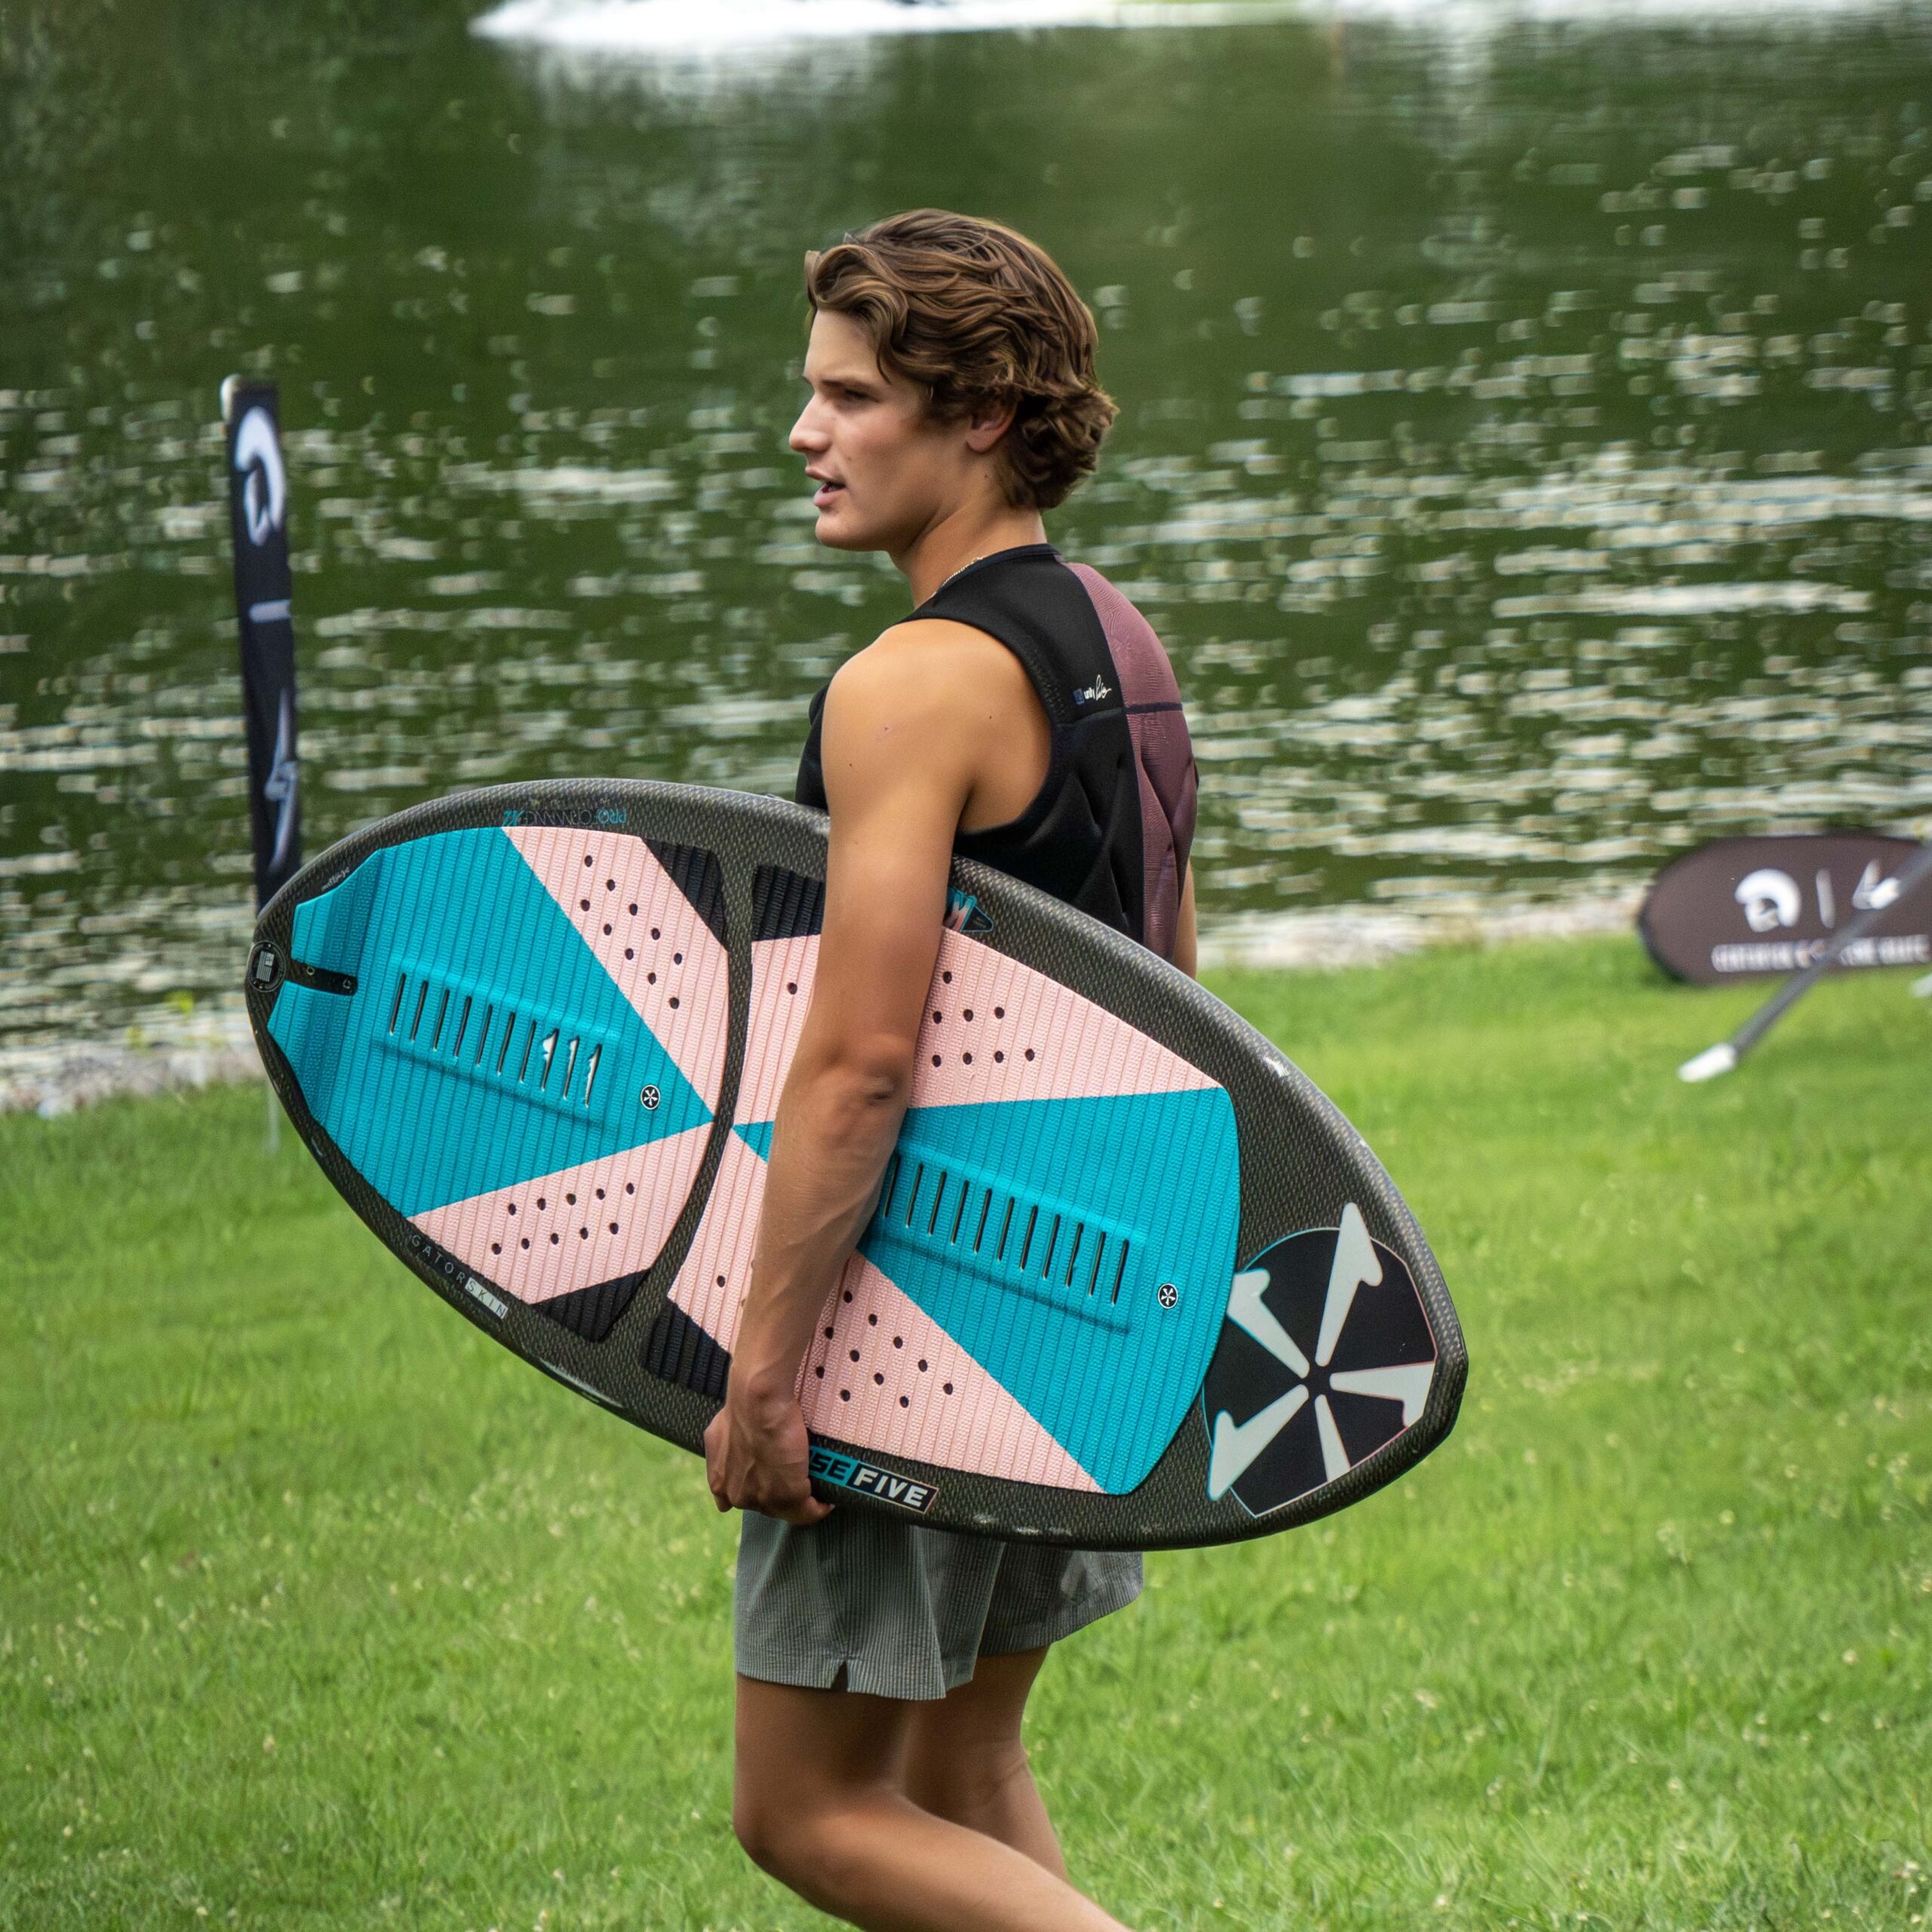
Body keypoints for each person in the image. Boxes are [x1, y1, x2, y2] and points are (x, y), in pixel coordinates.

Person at [702, 209, 1199, 1932]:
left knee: (810, 1806)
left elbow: (852, 1065)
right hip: (1070, 1306)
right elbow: (1174, 1002)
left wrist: (768, 1369)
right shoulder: (1119, 650)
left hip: (912, 1313)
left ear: (977, 411)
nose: (805, 434)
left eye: (848, 397)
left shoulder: (908, 685)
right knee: (955, 1774)